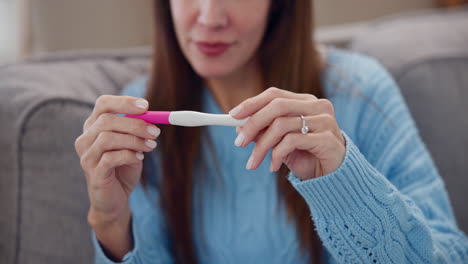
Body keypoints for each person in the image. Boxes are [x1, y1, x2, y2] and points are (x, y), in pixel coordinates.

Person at [74, 0, 468, 263]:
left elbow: (450, 255)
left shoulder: (360, 91)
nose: (210, 17)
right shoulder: (139, 116)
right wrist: (110, 222)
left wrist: (345, 184)